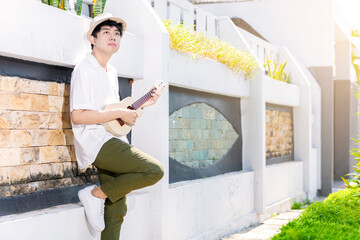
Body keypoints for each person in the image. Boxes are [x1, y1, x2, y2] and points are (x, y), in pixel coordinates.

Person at [70, 12, 164, 240]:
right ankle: (95, 194)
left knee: (117, 209)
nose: (113, 37)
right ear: (92, 39)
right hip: (96, 141)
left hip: (112, 138)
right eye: (106, 32)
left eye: (116, 34)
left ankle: (101, 196)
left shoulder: (111, 72)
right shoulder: (84, 69)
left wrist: (142, 105)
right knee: (154, 170)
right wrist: (119, 112)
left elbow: (115, 118)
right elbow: (78, 116)